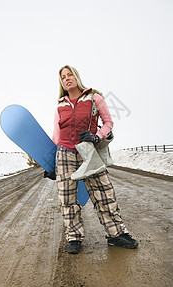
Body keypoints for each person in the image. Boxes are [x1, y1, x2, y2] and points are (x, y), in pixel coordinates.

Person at [45, 65, 138, 254]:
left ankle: (116, 234)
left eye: (70, 74)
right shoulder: (60, 105)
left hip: (88, 152)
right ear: (61, 82)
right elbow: (56, 136)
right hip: (64, 154)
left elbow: (109, 123)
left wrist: (97, 136)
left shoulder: (94, 98)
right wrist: (50, 163)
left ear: (76, 76)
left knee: (104, 192)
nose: (67, 78)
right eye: (63, 77)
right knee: (67, 197)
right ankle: (74, 237)